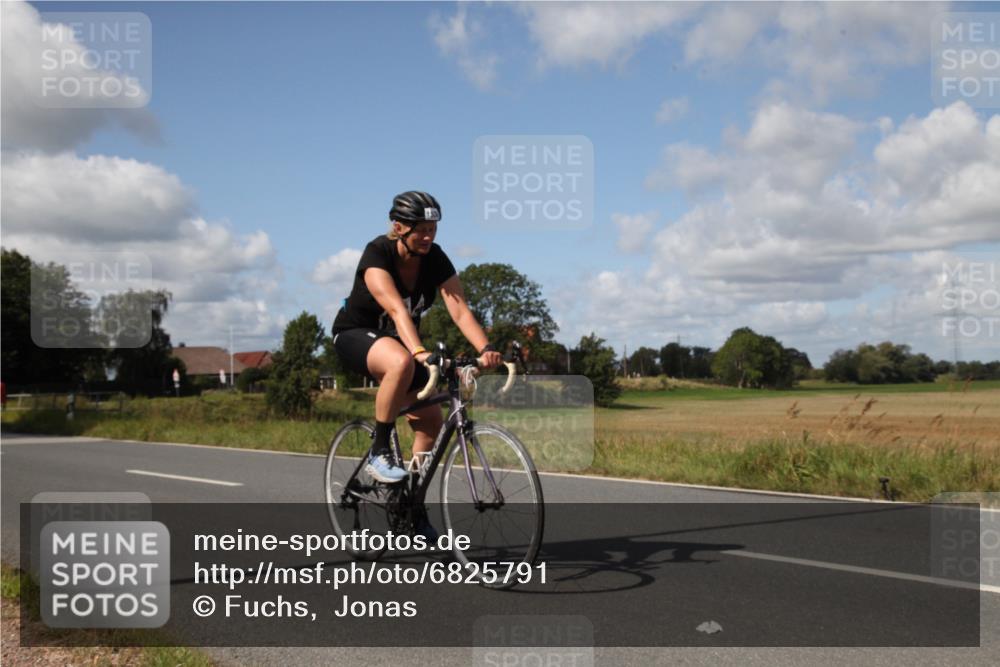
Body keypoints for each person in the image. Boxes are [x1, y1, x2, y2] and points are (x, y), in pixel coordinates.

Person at [331, 191, 501, 494]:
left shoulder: (434, 258)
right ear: (399, 227)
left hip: (403, 345)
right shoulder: (378, 254)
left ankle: (410, 501)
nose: (427, 237)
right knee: (401, 361)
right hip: (356, 335)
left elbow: (459, 309)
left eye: (432, 230)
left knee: (430, 425)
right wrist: (420, 351)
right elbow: (397, 310)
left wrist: (485, 349)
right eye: (421, 230)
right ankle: (379, 451)